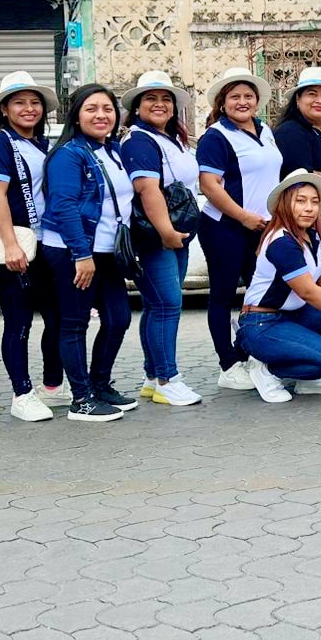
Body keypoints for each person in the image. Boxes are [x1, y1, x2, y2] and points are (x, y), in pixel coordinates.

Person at [38, 85, 139, 422]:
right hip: (73, 250)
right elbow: (63, 205)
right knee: (74, 323)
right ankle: (81, 399)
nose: (101, 115)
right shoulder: (69, 154)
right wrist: (81, 254)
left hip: (107, 251)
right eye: (91, 109)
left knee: (118, 318)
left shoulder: (111, 149)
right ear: (77, 115)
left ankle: (99, 385)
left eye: (107, 109)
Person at [236, 170, 321, 404]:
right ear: (284, 204)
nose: (309, 208)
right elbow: (308, 291)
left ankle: (308, 379)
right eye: (300, 201)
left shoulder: (310, 236)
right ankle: (267, 370)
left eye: (315, 202)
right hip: (261, 322)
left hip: (293, 315)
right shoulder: (282, 242)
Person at [0, 71, 63, 421]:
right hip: (16, 244)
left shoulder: (41, 143)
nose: (29, 109)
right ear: (4, 108)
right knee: (19, 320)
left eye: (34, 103)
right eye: (19, 103)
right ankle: (21, 393)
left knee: (57, 317)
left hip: (45, 242)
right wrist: (10, 245)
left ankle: (52, 385)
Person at [195, 68, 281, 387]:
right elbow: (209, 185)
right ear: (222, 102)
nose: (242, 102)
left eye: (248, 96)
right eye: (234, 97)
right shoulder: (215, 136)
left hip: (261, 228)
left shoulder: (265, 130)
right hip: (225, 229)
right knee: (223, 295)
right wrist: (243, 217)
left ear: (257, 101)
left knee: (260, 294)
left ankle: (250, 354)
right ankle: (228, 366)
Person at [121, 71, 202, 407]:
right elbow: (147, 189)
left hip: (174, 234)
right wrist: (167, 232)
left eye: (166, 99)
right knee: (168, 305)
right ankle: (169, 379)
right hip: (155, 237)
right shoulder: (139, 140)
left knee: (157, 305)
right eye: (151, 98)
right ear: (137, 106)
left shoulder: (170, 138)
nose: (159, 104)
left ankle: (153, 376)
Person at [273, 66, 321, 218]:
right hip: (313, 216)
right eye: (312, 94)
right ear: (298, 99)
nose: (319, 101)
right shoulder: (290, 131)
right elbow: (303, 176)